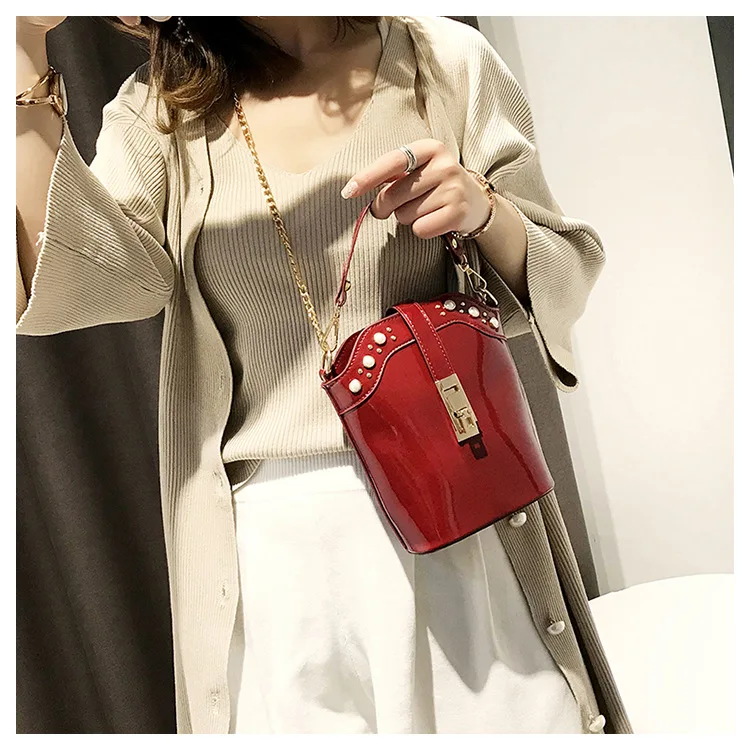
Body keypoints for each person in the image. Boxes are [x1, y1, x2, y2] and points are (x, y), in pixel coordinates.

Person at [16, 15, 632, 735]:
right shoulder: (165, 109)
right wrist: (23, 43)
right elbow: (68, 277)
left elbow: (565, 273)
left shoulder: (443, 60)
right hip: (277, 570)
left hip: (457, 523)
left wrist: (483, 209)